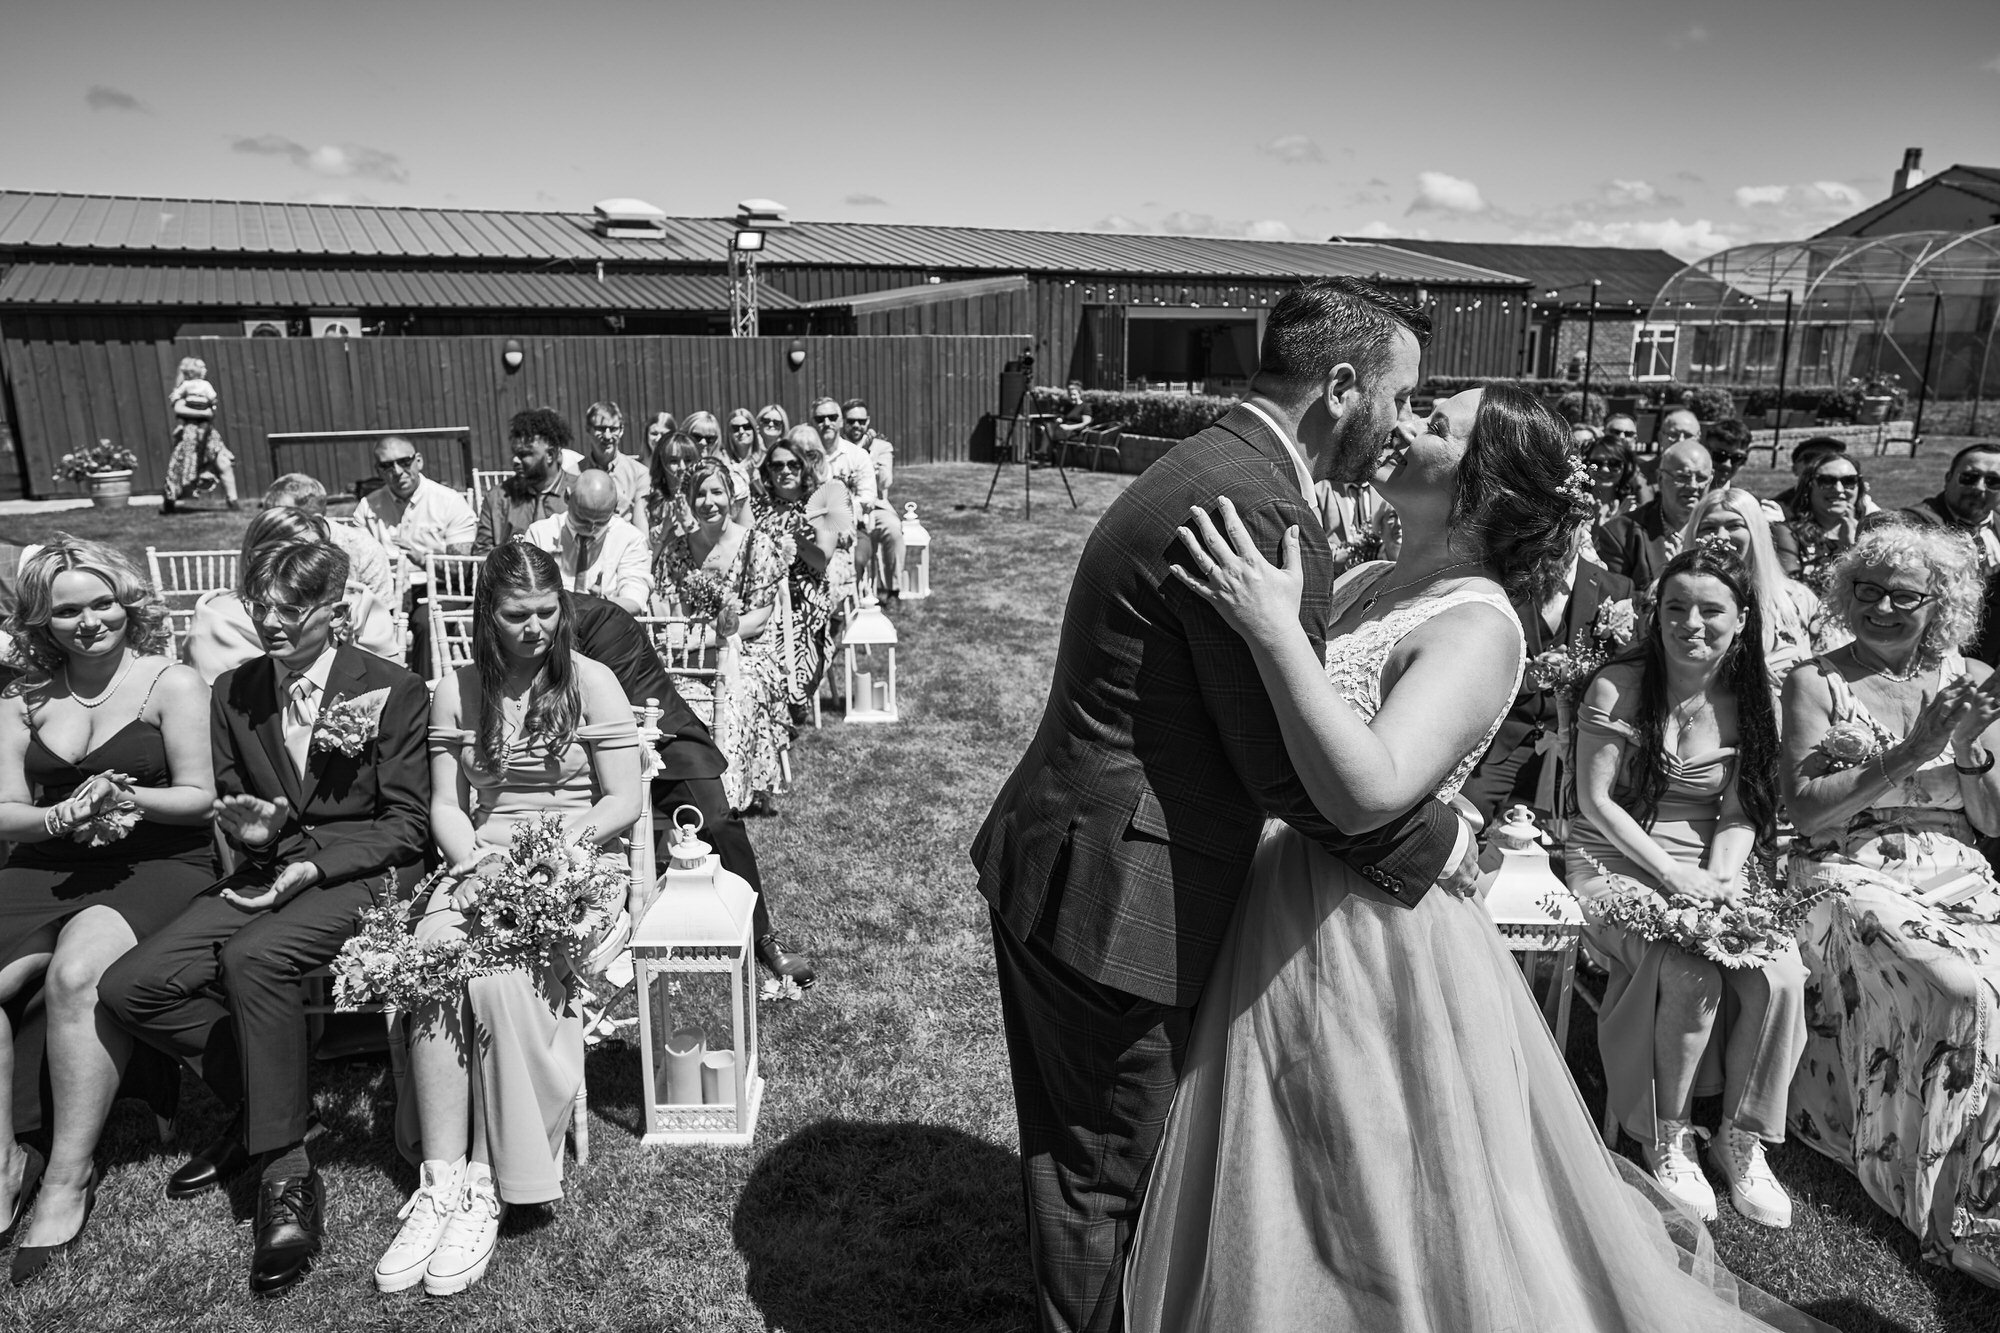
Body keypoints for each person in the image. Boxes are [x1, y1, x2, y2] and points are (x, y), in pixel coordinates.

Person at [1126, 390, 1825, 1331]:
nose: (1406, 426)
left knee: (1378, 1165)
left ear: (1484, 486)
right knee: (1298, 1156)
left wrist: (1273, 631)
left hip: (1372, 929)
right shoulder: (1371, 577)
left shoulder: (1482, 623)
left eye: (1438, 425)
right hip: (1290, 887)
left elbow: (1372, 786)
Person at [974, 278, 1472, 1333]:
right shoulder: (1259, 504)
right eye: (1400, 396)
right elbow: (1281, 769)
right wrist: (1439, 839)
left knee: (1081, 1152)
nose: (1397, 424)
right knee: (1108, 1174)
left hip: (1069, 851)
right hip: (1116, 889)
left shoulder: (1215, 459)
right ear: (1340, 387)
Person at [98, 539, 430, 1298]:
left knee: (255, 955)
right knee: (131, 985)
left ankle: (284, 1173)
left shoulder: (394, 687)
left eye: (291, 607)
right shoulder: (234, 690)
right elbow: (238, 802)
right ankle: (274, 1099)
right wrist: (255, 836)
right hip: (269, 863)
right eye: (260, 605)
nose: (271, 620)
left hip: (364, 872)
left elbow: (407, 825)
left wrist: (312, 863)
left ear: (336, 612)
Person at [373, 543, 642, 1297]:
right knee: (433, 958)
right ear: (484, 614)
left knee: (496, 979)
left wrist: (555, 854)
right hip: (479, 860)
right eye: (516, 615)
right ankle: (440, 1178)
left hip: (577, 864)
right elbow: (447, 805)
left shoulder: (593, 683)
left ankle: (491, 1181)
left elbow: (623, 800)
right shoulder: (456, 688)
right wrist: (479, 863)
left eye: (547, 613)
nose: (533, 628)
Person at [1780, 525, 2000, 1286]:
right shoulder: (1816, 681)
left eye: (1901, 595)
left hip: (1957, 872)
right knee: (1958, 988)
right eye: (1865, 589)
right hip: (1848, 869)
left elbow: (1994, 817)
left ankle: (1987, 1184)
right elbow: (1808, 812)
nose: (1879, 606)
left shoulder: (1971, 676)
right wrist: (1908, 752)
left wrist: (1970, 744)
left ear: (1938, 603)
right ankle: (1935, 1202)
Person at [1566, 547, 1807, 1230]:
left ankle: (1741, 1133)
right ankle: (1667, 1131)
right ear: (1655, 613)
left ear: (1740, 619)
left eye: (1710, 610)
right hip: (1615, 855)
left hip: (1712, 862)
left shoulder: (1753, 696)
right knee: (1687, 964)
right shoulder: (1618, 685)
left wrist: (1722, 880)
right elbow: (1596, 801)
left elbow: (1741, 811)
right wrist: (1673, 879)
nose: (1690, 623)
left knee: (1780, 971)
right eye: (1676, 607)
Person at [0, 540, 215, 1286]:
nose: (89, 620)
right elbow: (6, 812)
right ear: (42, 620)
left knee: (76, 972)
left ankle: (67, 1174)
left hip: (157, 861)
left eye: (101, 603)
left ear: (127, 603)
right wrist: (63, 818)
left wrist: (121, 798)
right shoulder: (21, 699)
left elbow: (199, 796)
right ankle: (3, 1160)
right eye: (67, 610)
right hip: (45, 863)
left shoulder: (173, 682)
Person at [566, 592, 813, 986]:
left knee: (718, 821)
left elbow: (621, 706)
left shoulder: (599, 621)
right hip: (574, 752)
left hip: (661, 735)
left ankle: (762, 936)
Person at [1460, 524, 1633, 825]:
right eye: (1554, 523)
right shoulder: (1500, 578)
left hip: (1578, 746)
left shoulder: (1616, 591)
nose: (1559, 538)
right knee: (1467, 812)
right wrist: (1523, 679)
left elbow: (1626, 675)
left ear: (1585, 526)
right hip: (1504, 739)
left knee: (1584, 825)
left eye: (1571, 526)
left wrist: (1578, 681)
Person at [653, 459, 788, 816]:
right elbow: (668, 611)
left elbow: (759, 618)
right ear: (689, 500)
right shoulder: (676, 552)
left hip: (747, 650)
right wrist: (688, 638)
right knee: (665, 697)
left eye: (717, 492)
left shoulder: (756, 546)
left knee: (732, 698)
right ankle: (680, 788)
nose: (709, 502)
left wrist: (715, 635)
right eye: (700, 494)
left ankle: (726, 795)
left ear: (731, 496)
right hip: (688, 652)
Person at [185, 508, 402, 683]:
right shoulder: (217, 619)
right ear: (254, 558)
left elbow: (391, 681)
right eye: (286, 555)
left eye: (314, 552)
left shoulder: (358, 605)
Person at [751, 430, 851, 713]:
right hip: (764, 592)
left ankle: (792, 702)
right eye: (777, 465)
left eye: (792, 464)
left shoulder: (821, 504)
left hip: (804, 593)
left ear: (803, 468)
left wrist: (798, 539)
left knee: (796, 628)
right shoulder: (755, 506)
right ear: (767, 471)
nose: (785, 471)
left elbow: (822, 560)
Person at [1681, 488, 1821, 687]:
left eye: (1735, 525)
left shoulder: (1797, 598)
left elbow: (1833, 666)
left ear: (1756, 532)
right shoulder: (1663, 596)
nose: (1721, 537)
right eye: (1708, 527)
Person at [524, 471, 651, 614]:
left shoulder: (630, 538)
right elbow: (527, 595)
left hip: (606, 627)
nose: (591, 528)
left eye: (601, 522)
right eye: (582, 520)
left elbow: (634, 601)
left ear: (615, 507)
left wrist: (601, 603)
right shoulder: (540, 534)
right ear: (567, 497)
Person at [1596, 439, 1712, 589]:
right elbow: (1613, 593)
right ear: (1660, 478)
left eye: (1702, 478)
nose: (1693, 486)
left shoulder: (1723, 530)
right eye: (1682, 477)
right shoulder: (1621, 534)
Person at [263, 474, 395, 605]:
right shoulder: (266, 547)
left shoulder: (364, 551)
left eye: (284, 523)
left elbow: (380, 613)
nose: (274, 531)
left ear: (315, 520)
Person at [355, 436, 477, 577]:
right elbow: (357, 561)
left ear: (419, 461)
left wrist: (422, 560)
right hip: (386, 589)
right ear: (378, 471)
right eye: (387, 465)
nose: (397, 471)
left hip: (441, 587)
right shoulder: (367, 507)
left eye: (404, 462)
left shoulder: (450, 502)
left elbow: (463, 569)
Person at [829, 399, 905, 602]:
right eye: (851, 421)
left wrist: (866, 453)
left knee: (893, 529)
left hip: (875, 508)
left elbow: (885, 482)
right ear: (842, 422)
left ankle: (893, 589)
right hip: (843, 510)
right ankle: (849, 594)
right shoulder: (834, 445)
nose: (856, 425)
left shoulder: (881, 446)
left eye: (861, 421)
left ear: (868, 421)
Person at [474, 408, 575, 554]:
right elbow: (480, 554)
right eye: (515, 454)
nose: (515, 460)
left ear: (550, 455)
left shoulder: (579, 494)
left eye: (525, 454)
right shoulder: (497, 498)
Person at [571, 401, 651, 547]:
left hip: (625, 547)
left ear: (621, 430)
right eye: (601, 429)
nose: (607, 436)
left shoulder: (639, 473)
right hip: (584, 546)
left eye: (613, 429)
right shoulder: (574, 473)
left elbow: (641, 525)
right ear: (588, 429)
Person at [1785, 453, 1866, 590]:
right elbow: (1792, 589)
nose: (1839, 489)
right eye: (1827, 481)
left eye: (1849, 481)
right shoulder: (1787, 534)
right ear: (1808, 487)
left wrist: (1853, 546)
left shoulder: (1872, 534)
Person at [161, 380, 241, 515]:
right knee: (179, 468)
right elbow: (179, 408)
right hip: (188, 434)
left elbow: (212, 407)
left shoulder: (205, 388)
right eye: (201, 367)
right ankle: (170, 501)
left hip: (209, 433)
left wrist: (209, 410)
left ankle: (233, 501)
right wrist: (203, 413)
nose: (204, 370)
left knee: (224, 462)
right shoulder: (184, 390)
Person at [1764, 437, 1848, 522]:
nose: (1817, 464)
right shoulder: (1777, 510)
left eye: (1829, 459)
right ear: (1795, 469)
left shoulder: (1852, 503)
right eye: (1809, 458)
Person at [647, 432, 701, 544]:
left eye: (688, 460)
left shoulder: (705, 500)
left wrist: (688, 522)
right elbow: (648, 558)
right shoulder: (651, 503)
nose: (682, 467)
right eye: (673, 461)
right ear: (662, 465)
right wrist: (664, 528)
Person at [1584, 434, 1645, 527]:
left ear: (1625, 467)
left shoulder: (1633, 509)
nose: (1605, 469)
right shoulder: (1573, 503)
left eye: (1614, 463)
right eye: (1597, 463)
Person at [1705, 417, 1752, 492]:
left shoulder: (1747, 502)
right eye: (1720, 456)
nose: (1727, 465)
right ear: (1705, 451)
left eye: (1736, 458)